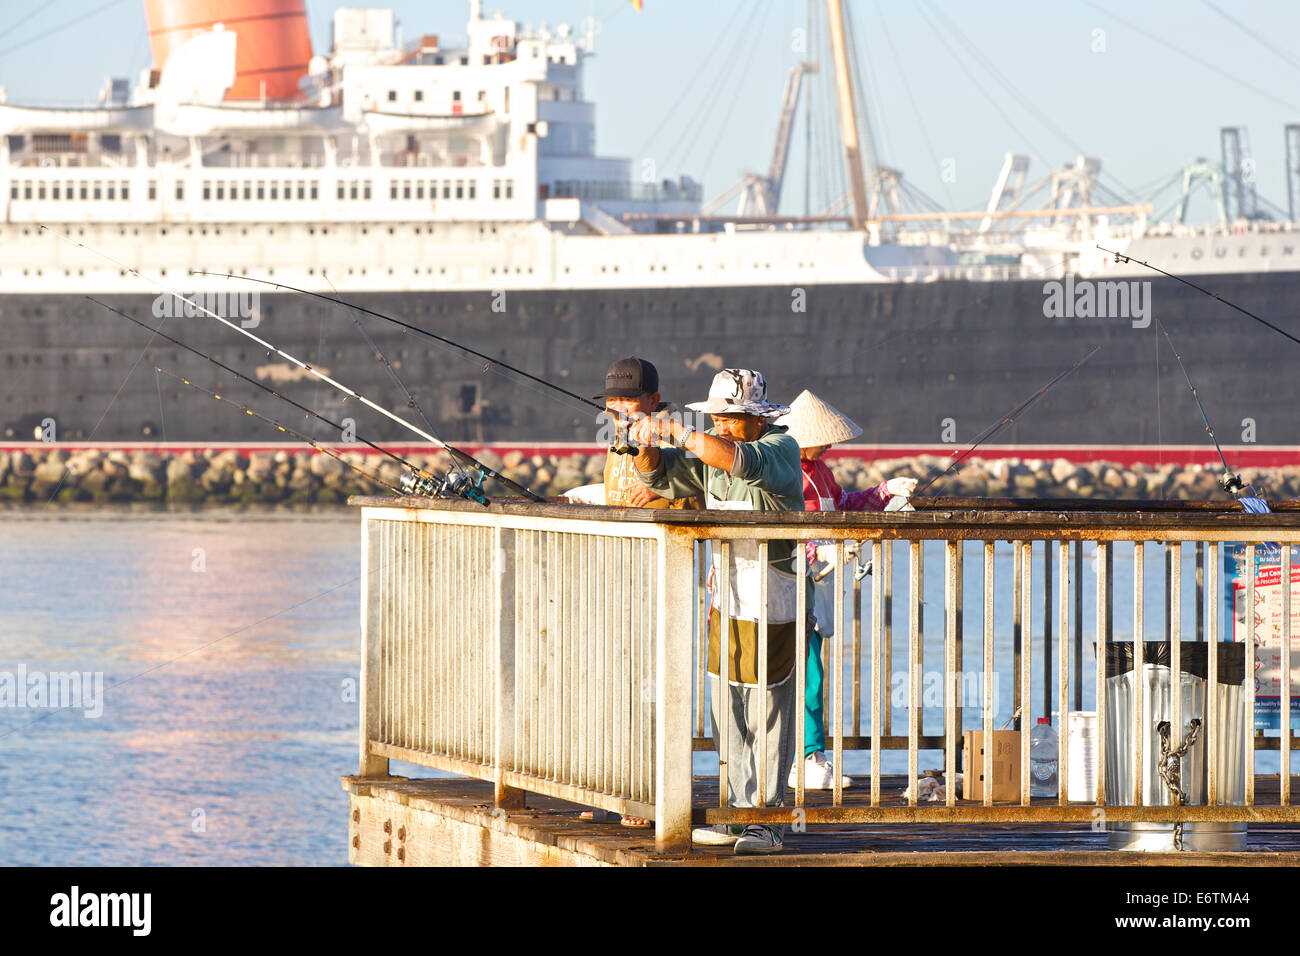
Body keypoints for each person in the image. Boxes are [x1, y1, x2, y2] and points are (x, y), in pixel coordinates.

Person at [628, 368, 802, 855]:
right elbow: (663, 473)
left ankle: (767, 820)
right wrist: (642, 444)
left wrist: (678, 430)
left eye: (728, 418)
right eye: (717, 419)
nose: (721, 426)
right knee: (727, 709)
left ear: (754, 417)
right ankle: (733, 815)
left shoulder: (781, 449)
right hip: (726, 597)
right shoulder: (713, 451)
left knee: (768, 711)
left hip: (775, 600)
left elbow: (740, 462)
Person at [776, 389, 917, 789]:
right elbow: (781, 525)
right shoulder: (786, 472)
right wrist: (816, 552)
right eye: (824, 437)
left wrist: (886, 491)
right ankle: (804, 756)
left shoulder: (821, 471)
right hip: (791, 585)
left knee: (810, 671)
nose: (831, 443)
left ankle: (808, 755)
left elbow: (843, 506)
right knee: (804, 673)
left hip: (817, 587)